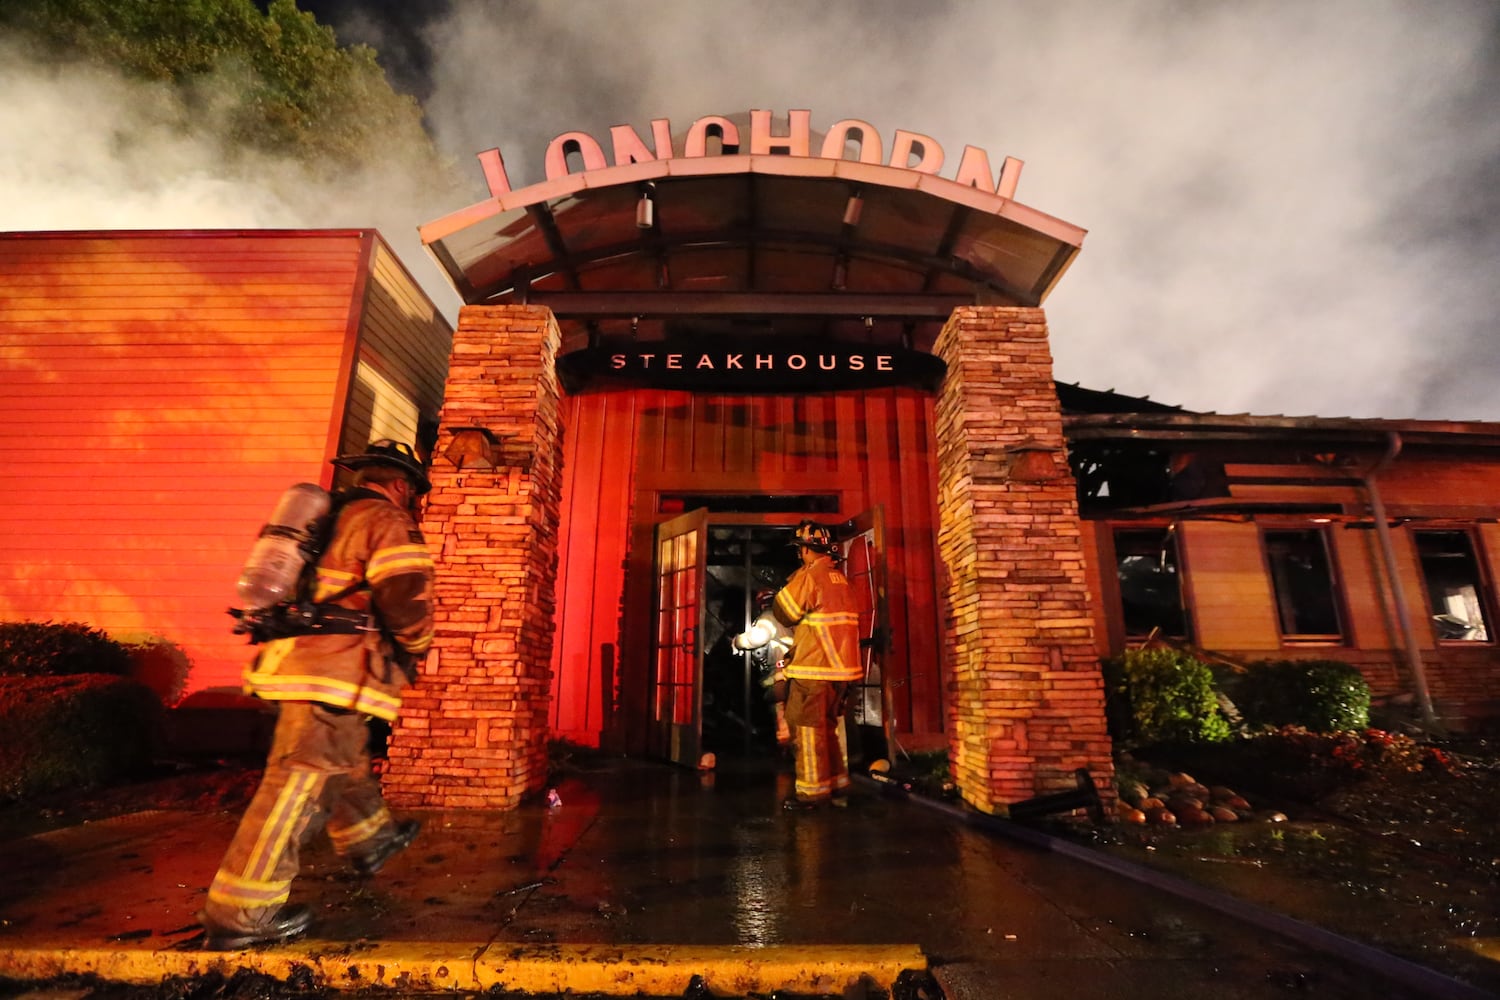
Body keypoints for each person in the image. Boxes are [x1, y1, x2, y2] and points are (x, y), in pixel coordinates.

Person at [198, 440, 436, 950]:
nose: (413, 501)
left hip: (293, 661)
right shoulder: (385, 519)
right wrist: (417, 646)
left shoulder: (324, 518)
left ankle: (371, 840)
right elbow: (405, 594)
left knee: (343, 757)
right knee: (298, 786)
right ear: (401, 485)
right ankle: (242, 913)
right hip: (333, 670)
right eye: (413, 492)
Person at [734, 521, 861, 810]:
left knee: (807, 732)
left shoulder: (811, 577)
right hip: (843, 672)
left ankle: (811, 794)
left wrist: (792, 582)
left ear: (806, 550)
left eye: (800, 549)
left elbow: (784, 612)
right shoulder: (841, 581)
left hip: (814, 670)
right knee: (827, 730)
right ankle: (837, 785)